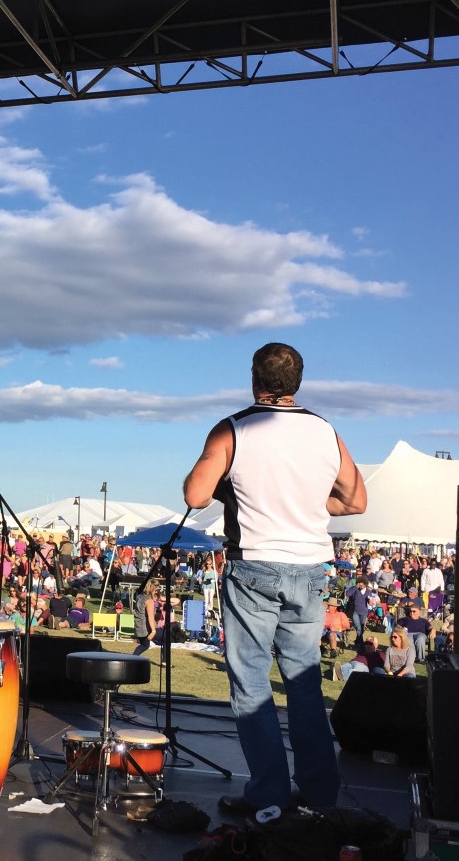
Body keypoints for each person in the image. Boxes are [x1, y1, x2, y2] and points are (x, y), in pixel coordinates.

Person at [183, 342, 366, 818]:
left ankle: (268, 795)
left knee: (250, 684)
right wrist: (303, 504)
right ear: (298, 381)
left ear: (253, 377)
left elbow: (195, 494)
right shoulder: (327, 431)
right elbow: (354, 501)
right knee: (303, 682)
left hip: (255, 566)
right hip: (309, 569)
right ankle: (321, 796)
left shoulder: (234, 428)